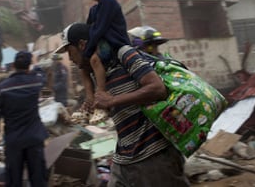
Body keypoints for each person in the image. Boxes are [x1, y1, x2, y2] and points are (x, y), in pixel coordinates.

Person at [55, 23, 190, 187]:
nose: (69, 59)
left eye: (70, 52)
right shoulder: (97, 72)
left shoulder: (123, 54)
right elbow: (84, 69)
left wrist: (111, 101)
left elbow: (157, 89)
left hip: (153, 154)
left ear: (82, 45)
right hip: (124, 158)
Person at [0, 51, 49, 187]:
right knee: (38, 181)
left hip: (13, 142)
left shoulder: (0, 89)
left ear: (13, 65)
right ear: (29, 66)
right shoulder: (36, 82)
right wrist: (35, 66)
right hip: (34, 140)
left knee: (13, 181)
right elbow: (42, 72)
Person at [81, 0, 131, 124]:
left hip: (116, 43)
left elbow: (99, 29)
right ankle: (88, 104)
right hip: (103, 43)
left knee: (94, 59)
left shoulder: (109, 2)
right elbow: (89, 30)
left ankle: (101, 94)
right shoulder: (93, 10)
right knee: (83, 67)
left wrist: (87, 53)